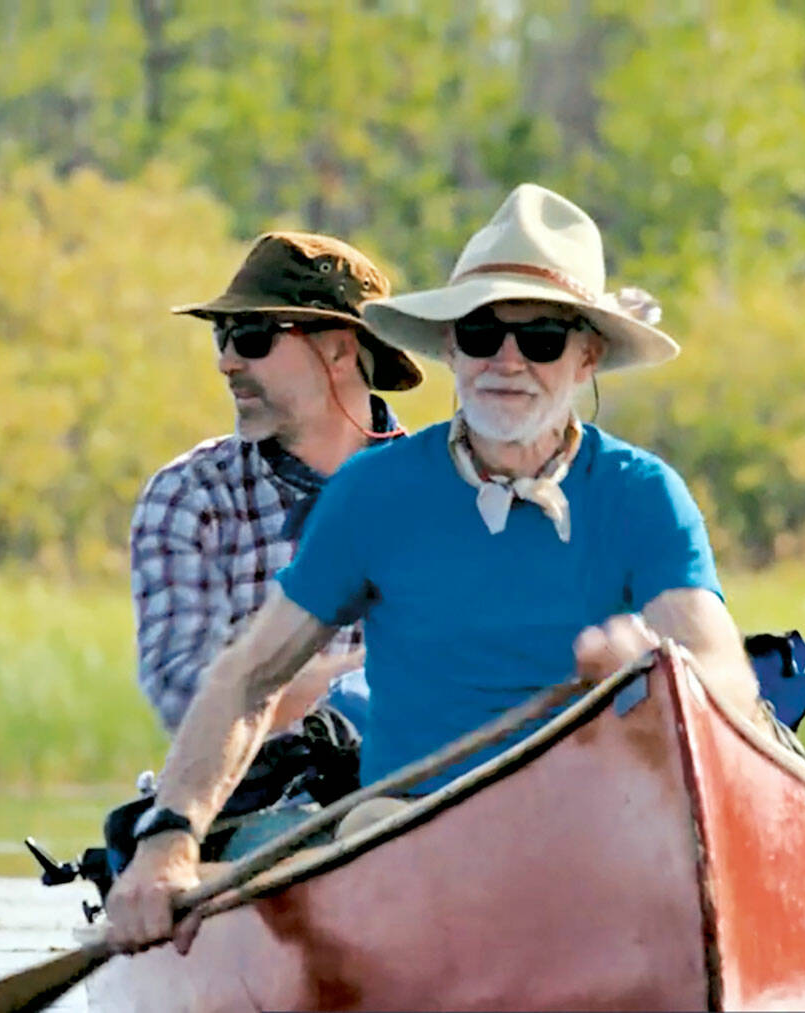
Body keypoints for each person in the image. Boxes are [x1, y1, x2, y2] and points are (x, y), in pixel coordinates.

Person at [108, 184, 767, 953]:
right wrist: (169, 844)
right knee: (374, 830)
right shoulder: (374, 493)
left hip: (602, 839)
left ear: (588, 354)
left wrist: (662, 678)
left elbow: (726, 675)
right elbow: (247, 677)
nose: (507, 361)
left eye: (543, 337)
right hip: (413, 835)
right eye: (483, 333)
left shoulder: (643, 495)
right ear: (451, 347)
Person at [131, 232, 422, 735]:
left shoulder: (447, 493)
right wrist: (363, 684)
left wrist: (275, 685)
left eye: (252, 337)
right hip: (253, 806)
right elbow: (186, 695)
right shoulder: (188, 495)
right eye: (221, 335)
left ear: (338, 350)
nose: (226, 362)